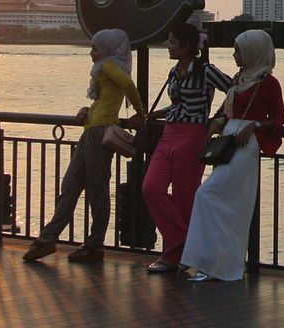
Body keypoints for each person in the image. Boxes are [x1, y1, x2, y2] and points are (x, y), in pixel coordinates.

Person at [24, 28, 144, 264]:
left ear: (108, 49)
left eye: (95, 48)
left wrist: (140, 111)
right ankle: (50, 236)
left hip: (99, 134)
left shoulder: (109, 66)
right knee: (71, 184)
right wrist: (86, 111)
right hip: (91, 131)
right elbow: (105, 101)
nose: (91, 53)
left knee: (97, 190)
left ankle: (93, 244)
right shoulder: (105, 68)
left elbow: (128, 85)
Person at [180, 29, 284, 282]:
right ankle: (208, 263)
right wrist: (217, 122)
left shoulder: (269, 82)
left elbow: (278, 119)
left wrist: (255, 126)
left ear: (253, 52)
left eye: (239, 50)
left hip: (245, 146)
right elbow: (229, 109)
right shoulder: (240, 78)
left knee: (214, 198)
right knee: (218, 202)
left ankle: (217, 265)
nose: (235, 54)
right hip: (229, 141)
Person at [139, 22, 232, 273]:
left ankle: (174, 254)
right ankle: (184, 243)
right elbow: (178, 104)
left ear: (187, 46)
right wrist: (156, 114)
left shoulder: (206, 70)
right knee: (151, 187)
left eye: (172, 42)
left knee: (184, 197)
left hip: (192, 135)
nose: (168, 47)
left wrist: (218, 117)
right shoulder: (174, 71)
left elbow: (233, 89)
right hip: (169, 132)